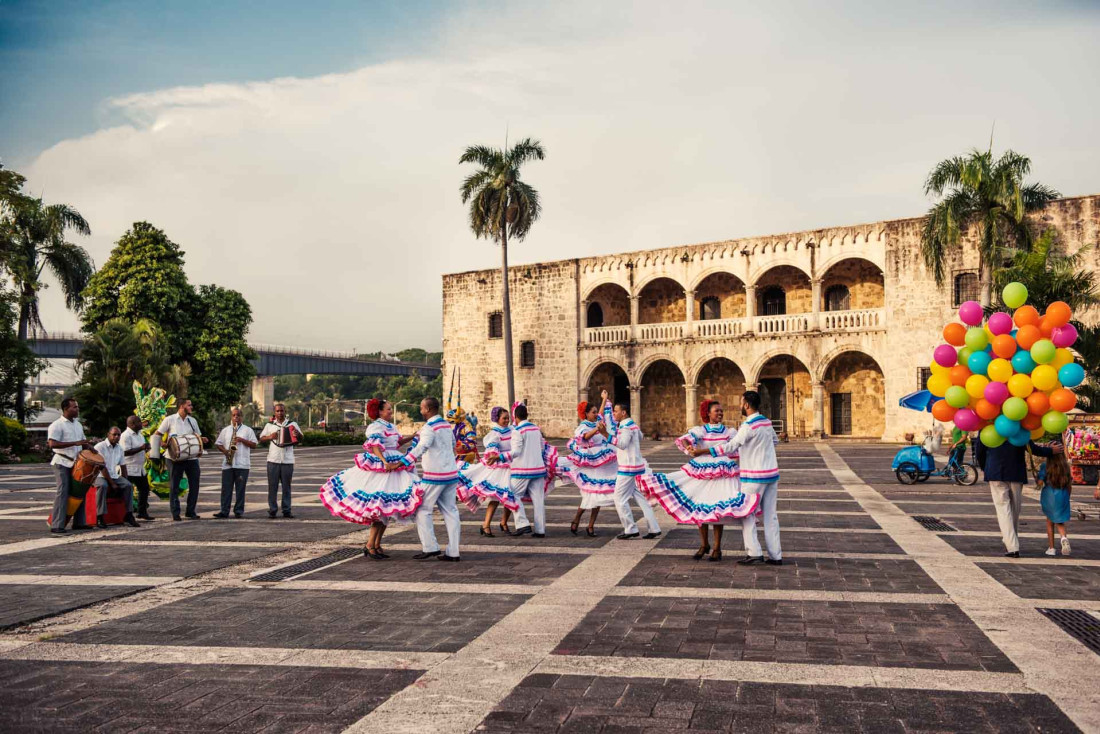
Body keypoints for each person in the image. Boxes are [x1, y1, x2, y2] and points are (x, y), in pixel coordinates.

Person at [642, 399, 759, 562]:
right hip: (702, 471)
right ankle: (704, 545)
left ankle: (717, 548)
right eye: (716, 411)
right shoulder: (701, 430)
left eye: (721, 411)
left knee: (717, 509)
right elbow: (685, 439)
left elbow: (735, 445)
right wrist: (689, 446)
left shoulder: (729, 431)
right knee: (700, 506)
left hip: (722, 473)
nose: (720, 413)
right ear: (708, 413)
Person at [320, 398, 422, 558]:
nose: (390, 411)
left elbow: (397, 443)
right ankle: (370, 545)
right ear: (380, 411)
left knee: (386, 509)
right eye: (388, 409)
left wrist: (413, 436)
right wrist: (384, 461)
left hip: (393, 463)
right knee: (380, 507)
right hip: (382, 468)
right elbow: (374, 446)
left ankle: (376, 544)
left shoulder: (390, 426)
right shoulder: (376, 426)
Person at [699, 390, 782, 566]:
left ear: (746, 405)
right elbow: (775, 441)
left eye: (741, 403)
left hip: (754, 477)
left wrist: (706, 451)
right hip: (771, 474)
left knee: (747, 514)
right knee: (771, 516)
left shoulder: (748, 426)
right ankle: (776, 555)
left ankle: (754, 552)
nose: (740, 406)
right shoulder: (766, 422)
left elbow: (731, 446)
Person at [975, 435, 1061, 558]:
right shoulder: (1018, 425)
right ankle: (1011, 544)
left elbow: (980, 450)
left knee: (1004, 510)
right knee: (1014, 509)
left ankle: (1011, 545)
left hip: (995, 471)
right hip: (1015, 471)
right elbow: (1031, 448)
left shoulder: (987, 424)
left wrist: (985, 467)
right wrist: (1050, 451)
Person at [398, 397, 463, 560]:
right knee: (451, 512)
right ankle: (453, 551)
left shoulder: (429, 427)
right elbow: (454, 444)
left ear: (427, 410)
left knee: (422, 509)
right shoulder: (447, 425)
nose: (420, 410)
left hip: (435, 476)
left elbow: (423, 445)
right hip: (451, 474)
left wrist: (404, 461)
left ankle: (430, 547)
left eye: (421, 408)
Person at [558, 391, 617, 536]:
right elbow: (583, 437)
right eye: (593, 412)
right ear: (586, 414)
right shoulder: (583, 426)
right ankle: (577, 519)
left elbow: (602, 414)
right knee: (590, 496)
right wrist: (597, 429)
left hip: (601, 462)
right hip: (591, 464)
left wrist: (603, 399)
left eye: (596, 412)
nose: (596, 414)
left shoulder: (595, 421)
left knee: (599, 496)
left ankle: (590, 525)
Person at [604, 400, 661, 540]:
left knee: (619, 498)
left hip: (628, 468)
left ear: (623, 413)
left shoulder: (625, 427)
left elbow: (622, 444)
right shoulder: (632, 425)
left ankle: (630, 529)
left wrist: (605, 435)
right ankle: (654, 528)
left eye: (615, 411)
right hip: (637, 467)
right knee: (642, 499)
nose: (614, 414)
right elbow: (640, 437)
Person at [498, 402, 555, 538]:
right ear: (526, 415)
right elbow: (542, 448)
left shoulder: (517, 431)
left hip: (522, 470)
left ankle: (523, 524)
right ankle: (540, 530)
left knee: (512, 494)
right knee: (538, 500)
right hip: (538, 469)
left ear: (515, 417)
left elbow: (516, 451)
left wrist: (501, 456)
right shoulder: (536, 429)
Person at [457, 406, 515, 536]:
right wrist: (495, 453)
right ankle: (486, 525)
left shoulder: (512, 430)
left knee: (510, 496)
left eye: (508, 418)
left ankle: (504, 522)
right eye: (504, 418)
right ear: (497, 419)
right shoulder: (494, 433)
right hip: (500, 468)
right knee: (495, 497)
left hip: (511, 465)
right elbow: (491, 447)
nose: (507, 420)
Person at [47, 397, 95, 533]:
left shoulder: (77, 424)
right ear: (66, 409)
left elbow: (82, 441)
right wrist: (75, 443)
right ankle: (57, 525)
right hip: (61, 462)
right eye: (75, 407)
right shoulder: (57, 425)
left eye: (77, 407)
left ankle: (79, 522)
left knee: (80, 490)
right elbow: (52, 444)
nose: (77, 409)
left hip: (76, 463)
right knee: (63, 492)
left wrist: (89, 447)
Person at [154, 398, 204, 521]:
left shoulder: (192, 421)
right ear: (182, 406)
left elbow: (198, 436)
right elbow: (157, 434)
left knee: (195, 484)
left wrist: (203, 440)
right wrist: (162, 443)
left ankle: (190, 511)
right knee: (174, 485)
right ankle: (175, 512)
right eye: (189, 405)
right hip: (174, 458)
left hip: (191, 457)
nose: (191, 407)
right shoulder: (170, 420)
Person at [213, 407, 258, 519]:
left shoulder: (248, 430)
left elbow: (254, 445)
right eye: (233, 415)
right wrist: (225, 452)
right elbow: (218, 443)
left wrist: (241, 440)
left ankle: (238, 511)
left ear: (241, 417)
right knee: (226, 489)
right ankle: (224, 511)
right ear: (231, 417)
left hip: (242, 464)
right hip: (228, 464)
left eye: (238, 415)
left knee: (240, 489)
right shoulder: (226, 430)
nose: (236, 417)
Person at [259, 403, 302, 519]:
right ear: (274, 412)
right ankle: (272, 510)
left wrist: (297, 434)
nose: (279, 413)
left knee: (286, 487)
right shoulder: (269, 425)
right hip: (273, 460)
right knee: (272, 487)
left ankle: (286, 510)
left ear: (285, 411)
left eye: (281, 411)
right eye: (277, 411)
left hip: (288, 461)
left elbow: (301, 438)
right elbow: (261, 438)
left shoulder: (292, 424)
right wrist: (269, 437)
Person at [92, 426, 139, 528]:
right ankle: (100, 516)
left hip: (113, 475)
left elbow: (123, 466)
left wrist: (125, 480)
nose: (116, 437)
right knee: (103, 486)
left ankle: (129, 514)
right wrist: (112, 484)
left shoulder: (119, 448)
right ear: (108, 435)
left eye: (118, 435)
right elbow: (101, 467)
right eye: (114, 434)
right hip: (99, 475)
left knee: (128, 485)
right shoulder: (100, 447)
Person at [1037, 452, 1073, 557]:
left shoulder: (1045, 466)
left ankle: (1052, 548)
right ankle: (1063, 537)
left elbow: (1039, 483)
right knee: (1059, 520)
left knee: (1050, 521)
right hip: (1063, 494)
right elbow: (1069, 484)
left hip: (1049, 495)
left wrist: (1038, 477)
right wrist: (1067, 497)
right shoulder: (1065, 466)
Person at [121, 415, 154, 521]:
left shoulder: (140, 434)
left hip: (140, 468)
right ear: (132, 424)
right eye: (139, 422)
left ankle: (142, 512)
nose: (142, 423)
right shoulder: (125, 436)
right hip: (129, 468)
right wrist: (141, 448)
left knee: (144, 489)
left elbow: (141, 447)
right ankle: (126, 514)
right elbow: (125, 452)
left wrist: (146, 447)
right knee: (128, 492)